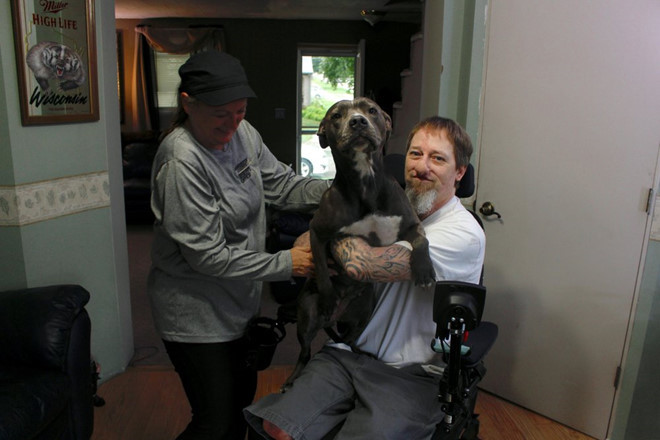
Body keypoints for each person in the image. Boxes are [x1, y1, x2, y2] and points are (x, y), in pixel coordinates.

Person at [244, 116, 486, 440]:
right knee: (277, 427)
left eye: (438, 159)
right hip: (347, 352)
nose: (422, 167)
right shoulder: (387, 208)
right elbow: (305, 240)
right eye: (415, 154)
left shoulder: (462, 233)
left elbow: (364, 265)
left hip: (409, 373)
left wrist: (333, 233)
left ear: (459, 172)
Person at [147, 50, 330, 440]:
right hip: (195, 316)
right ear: (188, 104)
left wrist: (337, 192)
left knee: (240, 412)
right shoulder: (182, 162)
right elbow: (208, 257)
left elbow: (282, 185)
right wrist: (288, 263)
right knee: (215, 423)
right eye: (221, 114)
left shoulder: (243, 134)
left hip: (239, 305)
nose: (232, 124)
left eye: (240, 111)